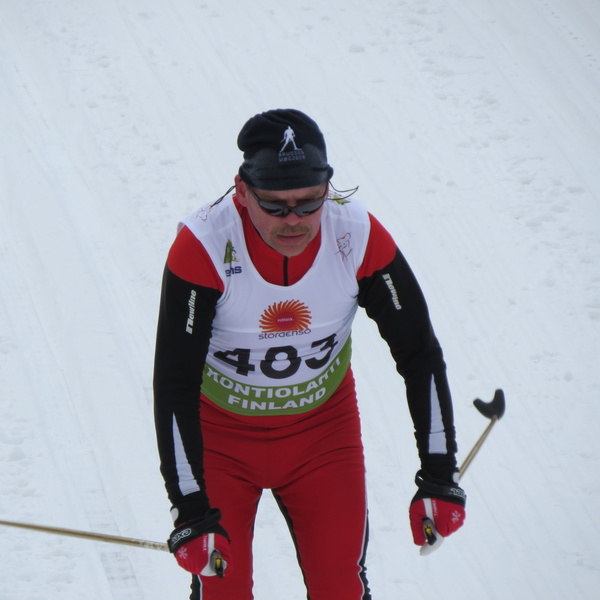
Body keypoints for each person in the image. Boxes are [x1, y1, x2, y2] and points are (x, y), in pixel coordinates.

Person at [153, 108, 466, 600]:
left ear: (328, 188)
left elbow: (419, 354)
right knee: (222, 593)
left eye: (309, 202)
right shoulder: (205, 246)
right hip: (221, 441)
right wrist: (189, 508)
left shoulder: (356, 235)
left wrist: (440, 475)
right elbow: (174, 383)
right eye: (275, 206)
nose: (294, 220)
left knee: (339, 587)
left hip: (321, 438)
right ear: (242, 191)